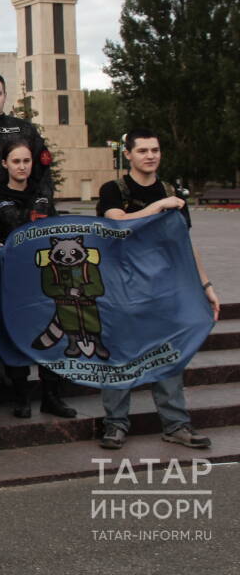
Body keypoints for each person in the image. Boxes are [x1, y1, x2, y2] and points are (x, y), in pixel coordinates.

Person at [95, 129, 220, 451]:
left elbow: (184, 243)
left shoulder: (170, 191)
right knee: (119, 355)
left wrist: (205, 284)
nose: (150, 156)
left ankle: (176, 424)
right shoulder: (114, 189)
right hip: (123, 287)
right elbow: (119, 223)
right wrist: (161, 206)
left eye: (155, 150)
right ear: (128, 154)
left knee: (169, 355)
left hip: (163, 286)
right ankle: (115, 424)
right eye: (143, 151)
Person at [0, 140, 76, 419]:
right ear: (5, 164)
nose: (22, 166)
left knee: (51, 334)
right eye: (16, 161)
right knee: (15, 334)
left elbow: (58, 231)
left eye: (26, 161)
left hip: (44, 278)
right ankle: (21, 397)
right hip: (12, 281)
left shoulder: (42, 195)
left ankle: (51, 396)